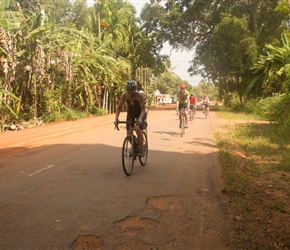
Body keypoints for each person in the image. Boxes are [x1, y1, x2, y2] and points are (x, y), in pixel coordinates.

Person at [114, 80, 146, 157]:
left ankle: (141, 148)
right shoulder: (124, 95)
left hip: (139, 113)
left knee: (137, 129)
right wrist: (116, 119)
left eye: (131, 89)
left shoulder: (139, 96)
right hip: (131, 113)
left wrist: (141, 118)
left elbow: (143, 110)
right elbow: (118, 107)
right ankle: (134, 145)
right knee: (128, 134)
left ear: (134, 89)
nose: (129, 91)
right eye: (127, 89)